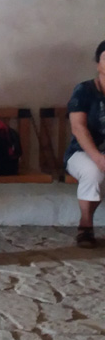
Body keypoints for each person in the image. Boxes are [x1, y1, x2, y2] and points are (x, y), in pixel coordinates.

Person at [64, 39, 105, 248]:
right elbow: (78, 127)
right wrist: (98, 158)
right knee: (93, 172)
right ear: (98, 64)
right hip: (82, 152)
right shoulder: (85, 90)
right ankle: (86, 226)